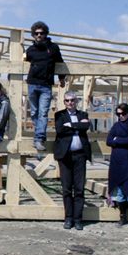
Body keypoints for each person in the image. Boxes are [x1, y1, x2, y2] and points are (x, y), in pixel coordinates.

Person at [25, 21, 66, 151]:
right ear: (33, 35)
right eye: (36, 33)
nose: (39, 35)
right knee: (34, 112)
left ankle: (40, 138)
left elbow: (60, 63)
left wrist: (61, 78)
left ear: (45, 34)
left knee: (43, 112)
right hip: (32, 84)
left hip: (46, 85)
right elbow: (23, 64)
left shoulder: (53, 48)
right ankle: (38, 136)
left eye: (41, 33)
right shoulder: (30, 50)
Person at [54, 91, 91, 231]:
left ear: (77, 101)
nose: (70, 103)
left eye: (72, 100)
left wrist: (70, 125)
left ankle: (78, 219)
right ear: (64, 102)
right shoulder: (59, 115)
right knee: (67, 189)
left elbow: (86, 127)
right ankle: (68, 218)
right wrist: (77, 126)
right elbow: (60, 130)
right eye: (67, 100)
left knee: (80, 189)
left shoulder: (83, 115)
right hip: (65, 156)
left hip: (80, 155)